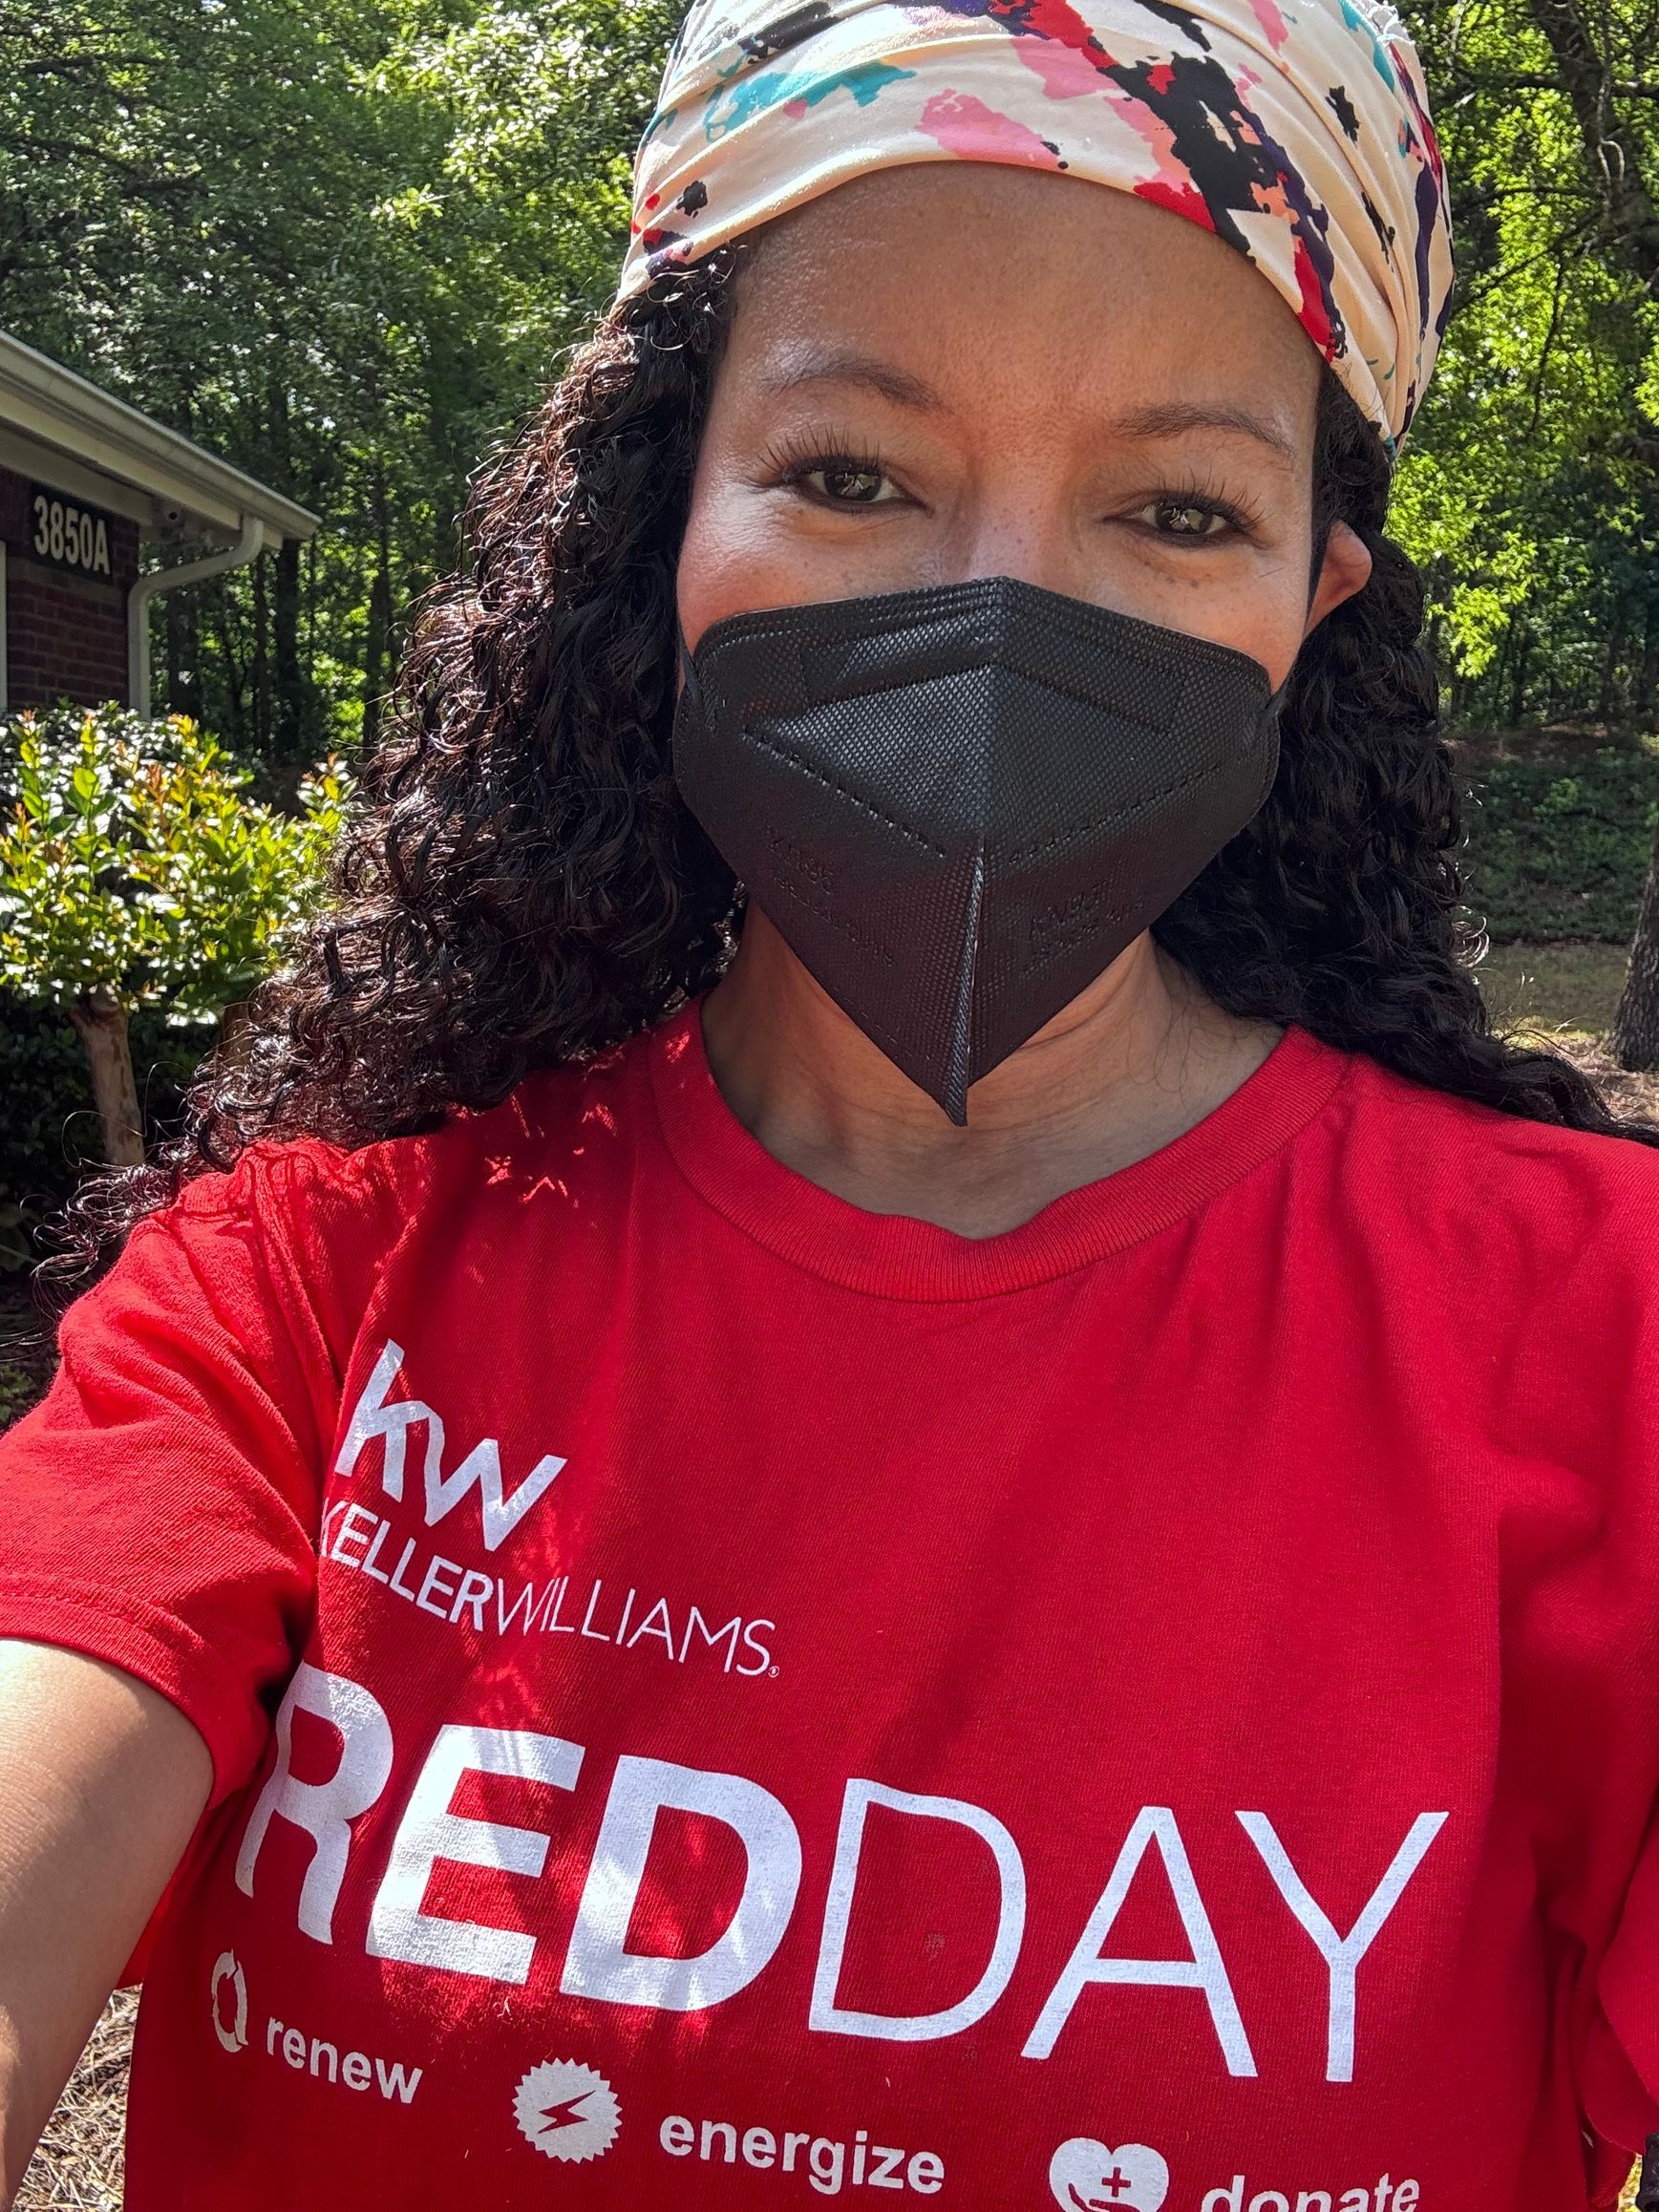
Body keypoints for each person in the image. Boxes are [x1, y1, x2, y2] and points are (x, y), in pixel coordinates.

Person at [2, 0, 1657, 2203]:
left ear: (1305, 605)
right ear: (657, 519)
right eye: (850, 472)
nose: (996, 613)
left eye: (1172, 508)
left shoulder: (1597, 1346)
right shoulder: (311, 1293)